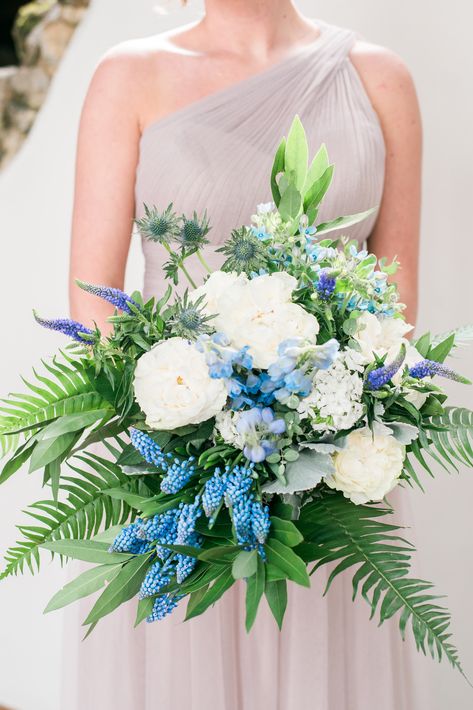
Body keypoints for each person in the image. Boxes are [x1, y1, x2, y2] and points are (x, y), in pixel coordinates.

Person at [65, 1, 426, 708]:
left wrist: (326, 422)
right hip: (175, 469)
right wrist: (191, 432)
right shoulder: (130, 74)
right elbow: (92, 300)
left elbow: (396, 298)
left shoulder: (378, 77)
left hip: (332, 461)